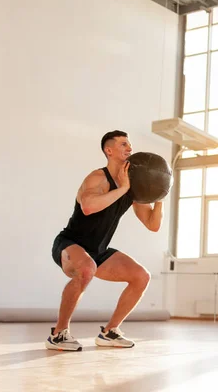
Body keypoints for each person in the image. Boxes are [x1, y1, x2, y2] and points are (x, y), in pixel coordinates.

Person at [46, 130, 163, 351]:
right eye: (123, 144)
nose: (129, 148)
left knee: (141, 276)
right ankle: (59, 333)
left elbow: (152, 224)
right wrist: (124, 188)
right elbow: (88, 207)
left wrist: (159, 198)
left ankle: (110, 331)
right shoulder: (97, 178)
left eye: (130, 144)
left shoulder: (132, 188)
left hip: (98, 251)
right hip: (70, 243)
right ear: (108, 151)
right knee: (87, 268)